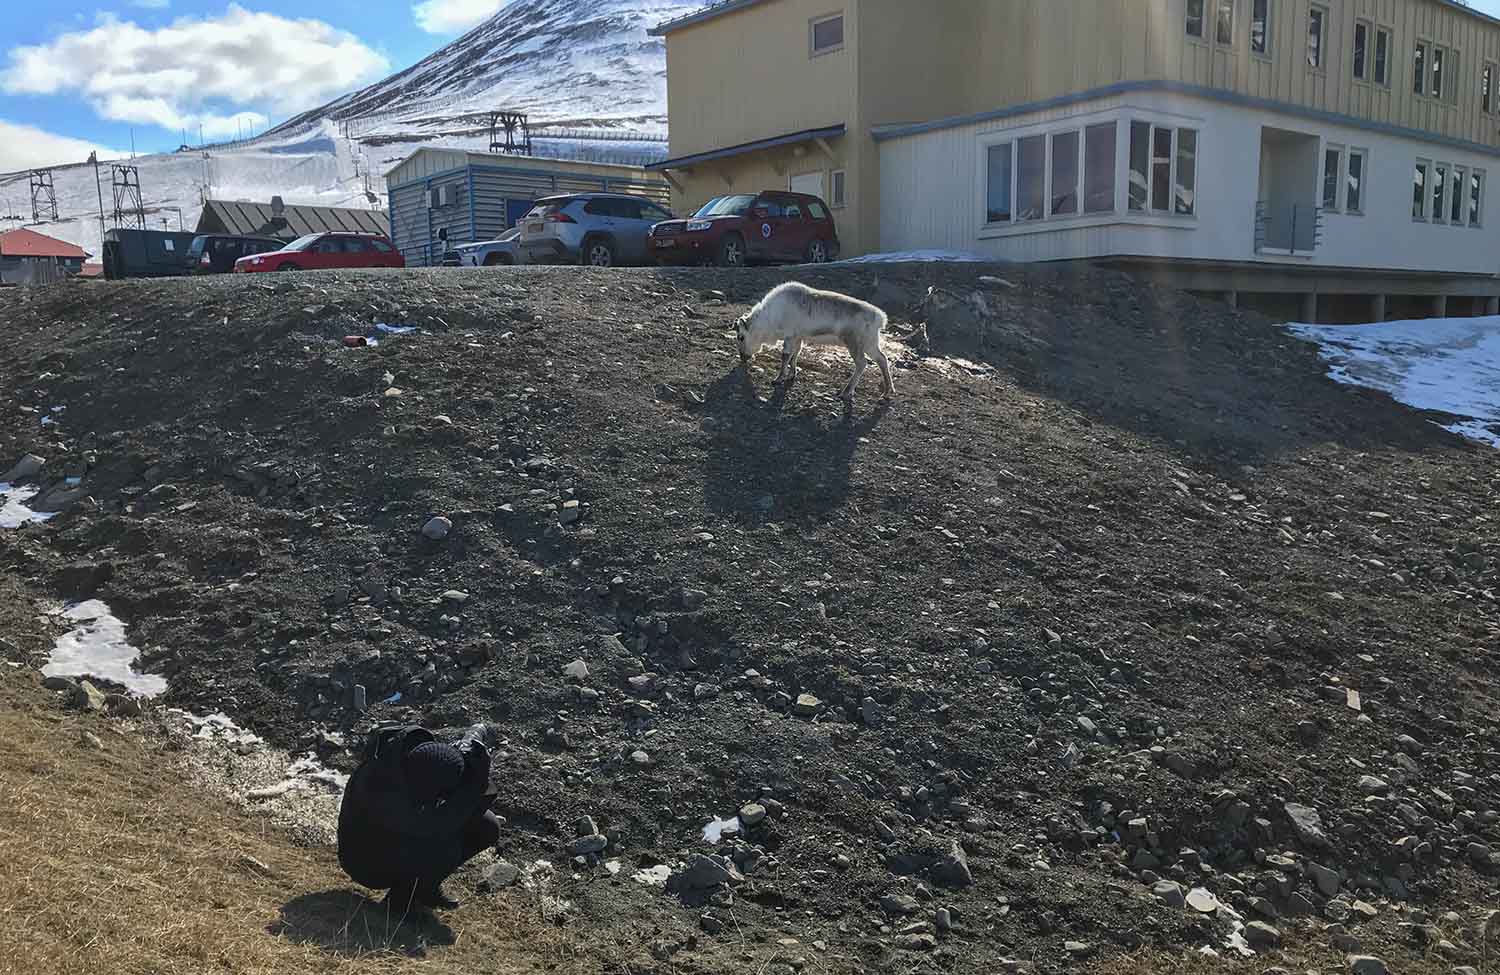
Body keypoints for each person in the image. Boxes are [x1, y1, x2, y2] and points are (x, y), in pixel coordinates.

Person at [337, 724, 499, 911]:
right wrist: (478, 779)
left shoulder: (403, 762)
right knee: (446, 849)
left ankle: (422, 889)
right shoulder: (386, 794)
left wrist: (468, 749)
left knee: (487, 825)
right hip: (364, 863)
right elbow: (445, 823)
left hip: (384, 840)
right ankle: (399, 904)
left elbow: (442, 769)